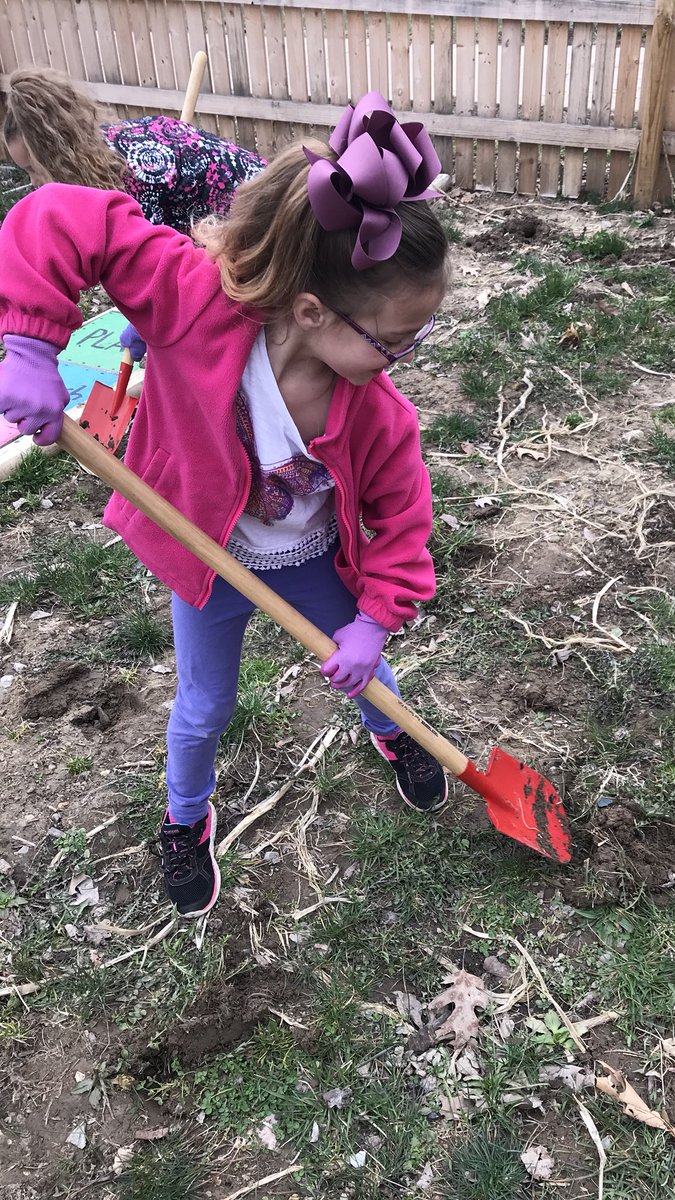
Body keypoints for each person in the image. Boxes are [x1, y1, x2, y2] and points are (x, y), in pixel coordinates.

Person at [0, 92, 450, 920]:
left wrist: (375, 619)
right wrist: (30, 340)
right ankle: (183, 816)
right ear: (313, 313)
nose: (402, 359)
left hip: (310, 559)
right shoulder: (191, 302)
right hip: (211, 559)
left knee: (367, 674)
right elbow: (62, 213)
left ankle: (395, 731)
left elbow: (405, 524)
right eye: (394, 341)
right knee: (204, 705)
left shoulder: (380, 413)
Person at [3, 65, 266, 359]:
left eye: (32, 169)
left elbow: (168, 277)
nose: (32, 182)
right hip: (226, 220)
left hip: (261, 225)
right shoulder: (105, 149)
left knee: (226, 329)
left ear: (54, 154)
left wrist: (154, 324)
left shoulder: (132, 175)